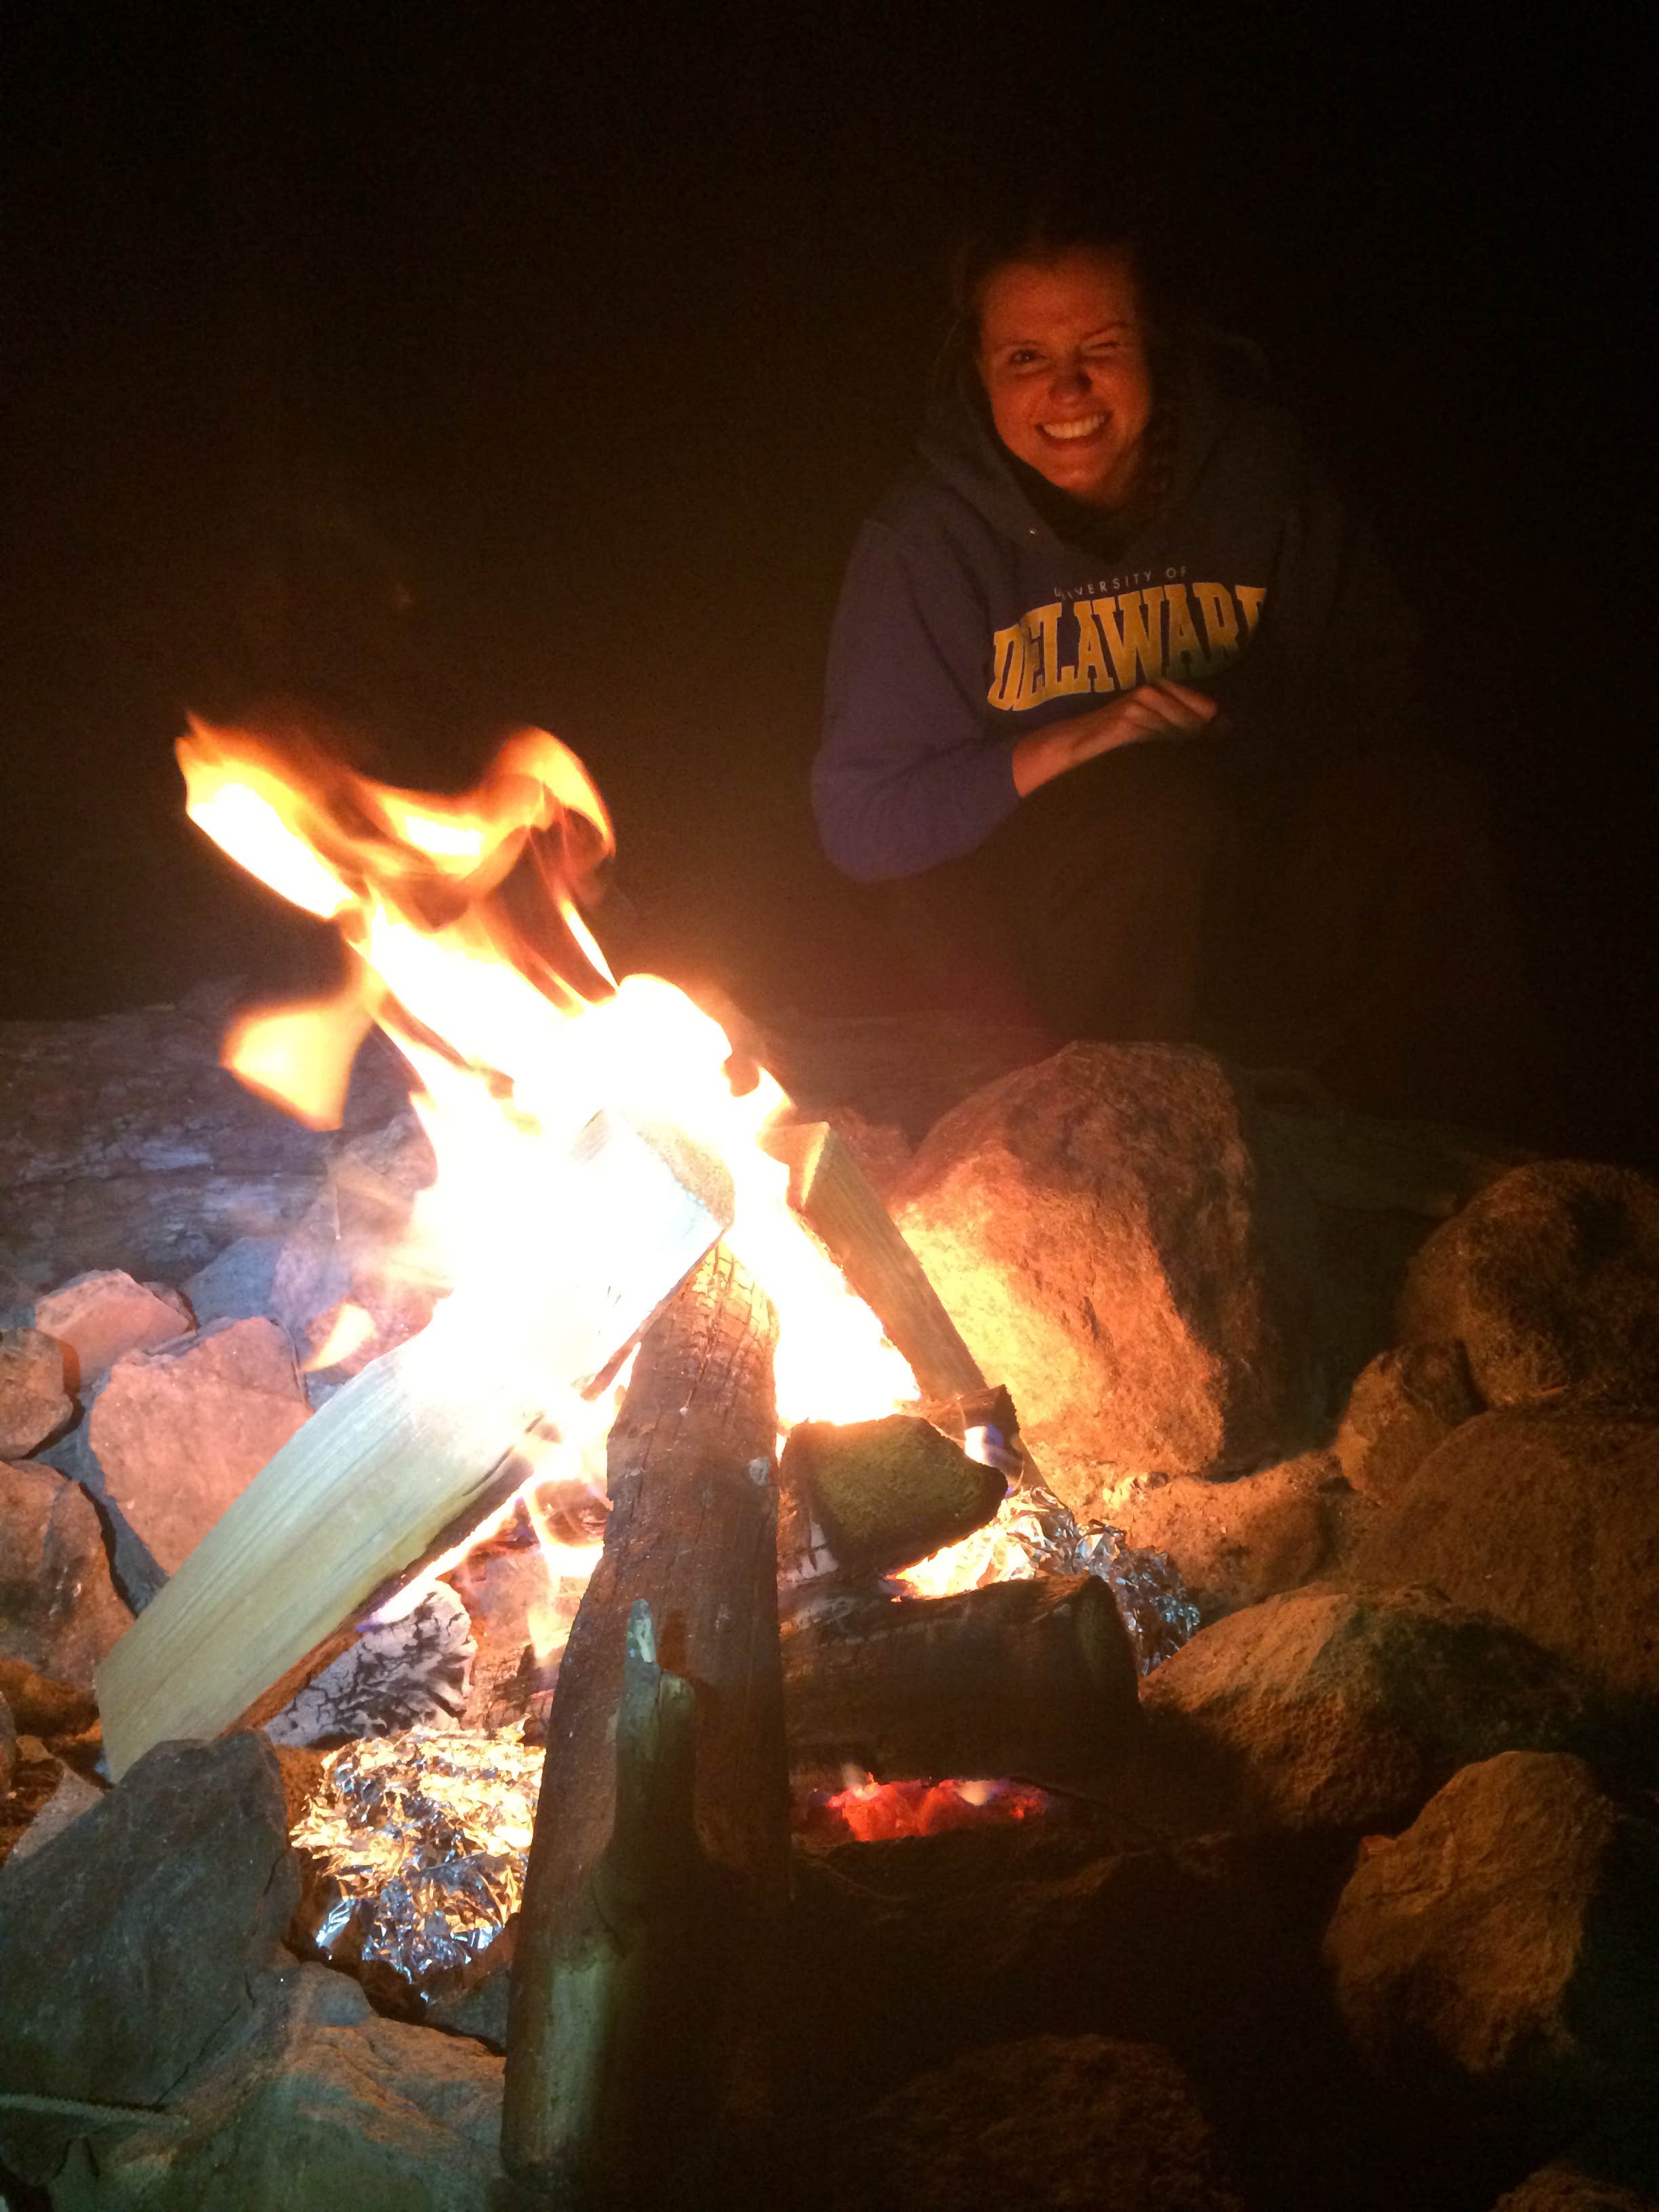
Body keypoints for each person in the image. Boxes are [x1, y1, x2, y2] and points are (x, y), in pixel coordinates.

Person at [811, 198, 1549, 1130]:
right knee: (1151, 813)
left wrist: (1248, 725)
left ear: (1155, 344)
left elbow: (1389, 691)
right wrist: (1078, 741)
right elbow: (859, 823)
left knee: (1427, 813)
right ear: (981, 374)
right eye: (1026, 359)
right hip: (1041, 937)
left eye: (1102, 348)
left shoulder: (1259, 479)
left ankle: (1466, 1175)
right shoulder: (928, 542)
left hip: (1251, 867)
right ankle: (1123, 1163)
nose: (1068, 391)